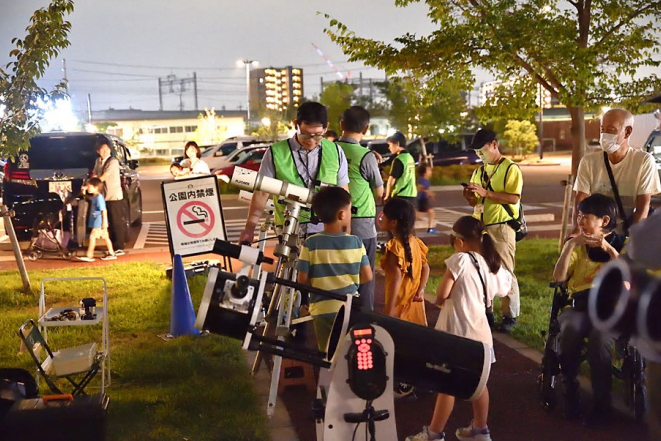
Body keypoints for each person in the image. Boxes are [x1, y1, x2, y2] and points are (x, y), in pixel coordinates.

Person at [407, 216, 511, 441]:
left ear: (460, 242)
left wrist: (437, 298)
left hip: (457, 332)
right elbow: (504, 289)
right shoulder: (491, 264)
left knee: (446, 384)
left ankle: (434, 434)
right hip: (481, 333)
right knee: (479, 385)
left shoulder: (460, 260)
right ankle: (480, 430)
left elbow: (442, 294)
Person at [553, 193, 625, 426]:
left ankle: (602, 404)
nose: (580, 221)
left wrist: (608, 250)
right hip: (580, 306)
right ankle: (569, 385)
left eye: (586, 217)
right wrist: (571, 245)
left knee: (598, 339)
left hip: (612, 308)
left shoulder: (624, 244)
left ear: (604, 221)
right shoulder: (576, 245)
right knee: (571, 330)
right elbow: (559, 278)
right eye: (579, 216)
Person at [238, 102, 350, 244]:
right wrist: (250, 227)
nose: (311, 141)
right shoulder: (276, 152)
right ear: (296, 124)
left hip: (328, 228)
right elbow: (262, 192)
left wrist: (346, 233)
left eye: (317, 135)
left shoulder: (336, 152)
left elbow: (344, 196)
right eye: (306, 134)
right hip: (288, 228)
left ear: (326, 127)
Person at [297, 186, 372, 351]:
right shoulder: (356, 242)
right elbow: (368, 276)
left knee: (327, 352)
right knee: (349, 351)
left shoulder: (310, 243)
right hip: (349, 308)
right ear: (342, 215)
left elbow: (302, 280)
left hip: (321, 309)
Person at [464, 128, 523, 333]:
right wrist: (471, 195)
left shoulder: (510, 168)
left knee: (505, 270)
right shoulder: (479, 171)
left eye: (482, 150)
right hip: (481, 227)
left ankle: (510, 316)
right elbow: (475, 200)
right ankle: (487, 311)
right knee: (482, 269)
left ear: (494, 145)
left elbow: (514, 197)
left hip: (502, 226)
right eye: (477, 152)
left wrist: (485, 192)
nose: (480, 155)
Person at [573, 108, 661, 234]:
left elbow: (643, 206)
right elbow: (580, 201)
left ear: (627, 132)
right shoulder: (589, 162)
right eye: (602, 129)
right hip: (596, 237)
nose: (604, 135)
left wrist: (632, 240)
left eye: (611, 130)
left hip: (626, 233)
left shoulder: (643, 161)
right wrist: (577, 230)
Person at [336, 106, 384, 312]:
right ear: (366, 128)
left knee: (338, 273)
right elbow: (380, 192)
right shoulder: (367, 156)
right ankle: (363, 319)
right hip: (362, 223)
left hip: (333, 220)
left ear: (341, 125)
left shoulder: (329, 150)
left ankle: (338, 315)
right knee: (365, 275)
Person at [380, 197, 429, 325]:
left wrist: (389, 310)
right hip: (413, 302)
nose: (382, 218)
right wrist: (420, 290)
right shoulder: (416, 242)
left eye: (384, 215)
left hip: (398, 305)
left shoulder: (394, 246)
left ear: (393, 222)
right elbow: (426, 268)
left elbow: (396, 278)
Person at [92, 139, 126, 256]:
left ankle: (120, 246)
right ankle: (113, 246)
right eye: (103, 150)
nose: (105, 151)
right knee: (108, 222)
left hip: (113, 195)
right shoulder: (98, 161)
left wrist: (93, 185)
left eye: (107, 149)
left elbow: (104, 176)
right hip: (104, 196)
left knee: (116, 221)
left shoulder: (113, 162)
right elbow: (95, 174)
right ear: (98, 151)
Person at [75, 178, 117, 262]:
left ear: (96, 187)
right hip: (97, 221)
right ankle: (111, 253)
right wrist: (84, 194)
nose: (87, 188)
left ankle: (89, 255)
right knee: (105, 237)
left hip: (98, 222)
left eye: (89, 186)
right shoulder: (94, 197)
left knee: (92, 237)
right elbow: (90, 199)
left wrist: (104, 222)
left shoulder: (99, 198)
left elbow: (103, 210)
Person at [384, 131, 417, 204]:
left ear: (397, 144)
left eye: (390, 145)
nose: (389, 148)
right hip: (412, 195)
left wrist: (387, 195)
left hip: (401, 195)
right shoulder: (410, 157)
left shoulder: (399, 159)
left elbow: (391, 180)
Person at [417, 164, 437, 233]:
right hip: (422, 199)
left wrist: (429, 193)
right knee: (431, 212)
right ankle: (430, 228)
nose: (430, 172)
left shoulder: (425, 180)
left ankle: (430, 227)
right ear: (424, 172)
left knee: (430, 213)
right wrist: (428, 192)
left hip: (424, 199)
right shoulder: (422, 179)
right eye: (429, 170)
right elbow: (420, 187)